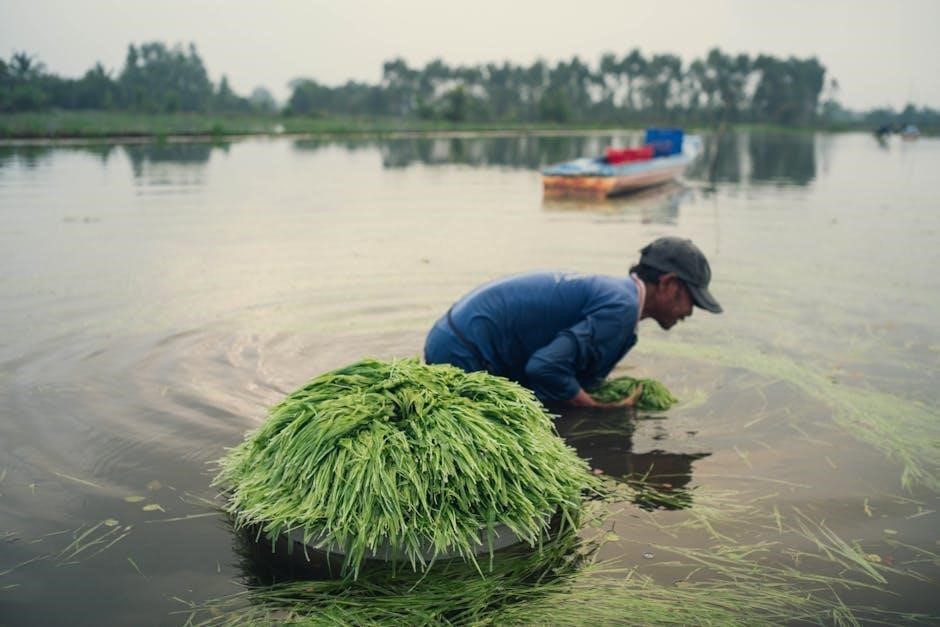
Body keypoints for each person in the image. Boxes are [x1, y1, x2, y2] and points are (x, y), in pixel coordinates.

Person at [424, 236, 722, 408]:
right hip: (461, 351)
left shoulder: (620, 298)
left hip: (452, 335)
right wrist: (591, 406)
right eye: (692, 300)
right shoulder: (621, 309)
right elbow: (544, 367)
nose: (690, 313)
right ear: (668, 284)